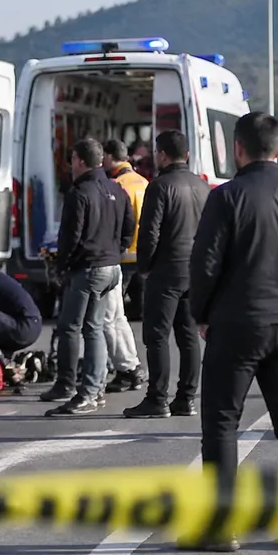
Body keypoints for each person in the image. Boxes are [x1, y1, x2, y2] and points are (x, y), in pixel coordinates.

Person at [188, 111, 278, 551]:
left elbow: (204, 264)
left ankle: (221, 527)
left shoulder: (226, 197)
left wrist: (201, 314)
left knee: (222, 423)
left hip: (236, 324)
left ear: (237, 149)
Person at [41, 138, 134, 415]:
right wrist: (115, 250)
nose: (71, 165)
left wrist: (61, 267)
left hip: (89, 268)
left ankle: (73, 387)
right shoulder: (116, 188)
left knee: (71, 326)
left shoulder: (79, 192)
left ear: (80, 161)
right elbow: (129, 228)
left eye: (72, 159)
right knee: (95, 326)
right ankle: (95, 388)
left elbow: (71, 236)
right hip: (112, 267)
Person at [123, 130, 211, 419]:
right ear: (187, 154)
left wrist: (145, 268)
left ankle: (157, 398)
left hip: (166, 269)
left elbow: (150, 232)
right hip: (195, 270)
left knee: (157, 335)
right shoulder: (202, 186)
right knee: (188, 335)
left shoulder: (160, 186)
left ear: (162, 155)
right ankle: (186, 398)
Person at [102, 139, 148, 392]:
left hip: (121, 257)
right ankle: (129, 365)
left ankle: (125, 367)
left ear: (110, 157)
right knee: (117, 316)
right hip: (143, 256)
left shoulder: (116, 186)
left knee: (109, 316)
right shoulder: (143, 182)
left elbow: (117, 223)